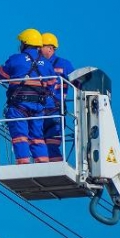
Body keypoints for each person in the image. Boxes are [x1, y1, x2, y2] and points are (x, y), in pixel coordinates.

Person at [0, 28, 55, 164]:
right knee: (37, 137)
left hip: (19, 105)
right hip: (38, 106)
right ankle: (43, 163)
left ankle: (23, 163)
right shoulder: (47, 64)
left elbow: (1, 76)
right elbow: (52, 85)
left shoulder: (16, 59)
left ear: (24, 43)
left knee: (20, 136)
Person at [40, 32, 75, 162]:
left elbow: (78, 84)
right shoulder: (37, 65)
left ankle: (57, 167)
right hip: (37, 112)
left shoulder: (64, 64)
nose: (38, 49)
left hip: (55, 113)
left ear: (50, 48)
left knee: (51, 146)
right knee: (38, 147)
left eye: (41, 46)